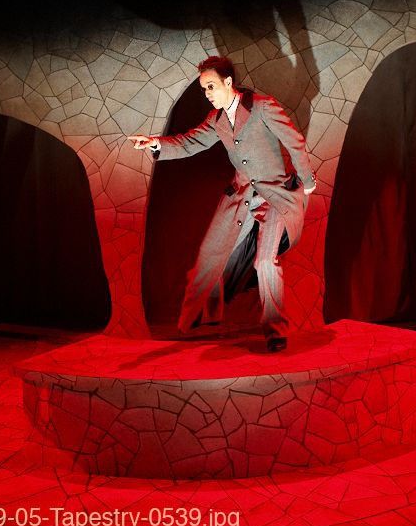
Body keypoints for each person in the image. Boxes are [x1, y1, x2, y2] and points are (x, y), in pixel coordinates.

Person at [129, 56, 316, 352]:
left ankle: (276, 332)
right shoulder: (216, 120)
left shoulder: (262, 107)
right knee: (210, 255)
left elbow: (295, 142)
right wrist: (156, 143)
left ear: (228, 82)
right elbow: (189, 142)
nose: (207, 94)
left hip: (274, 196)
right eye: (204, 89)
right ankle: (199, 319)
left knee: (265, 261)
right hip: (241, 197)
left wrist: (307, 181)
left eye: (211, 87)